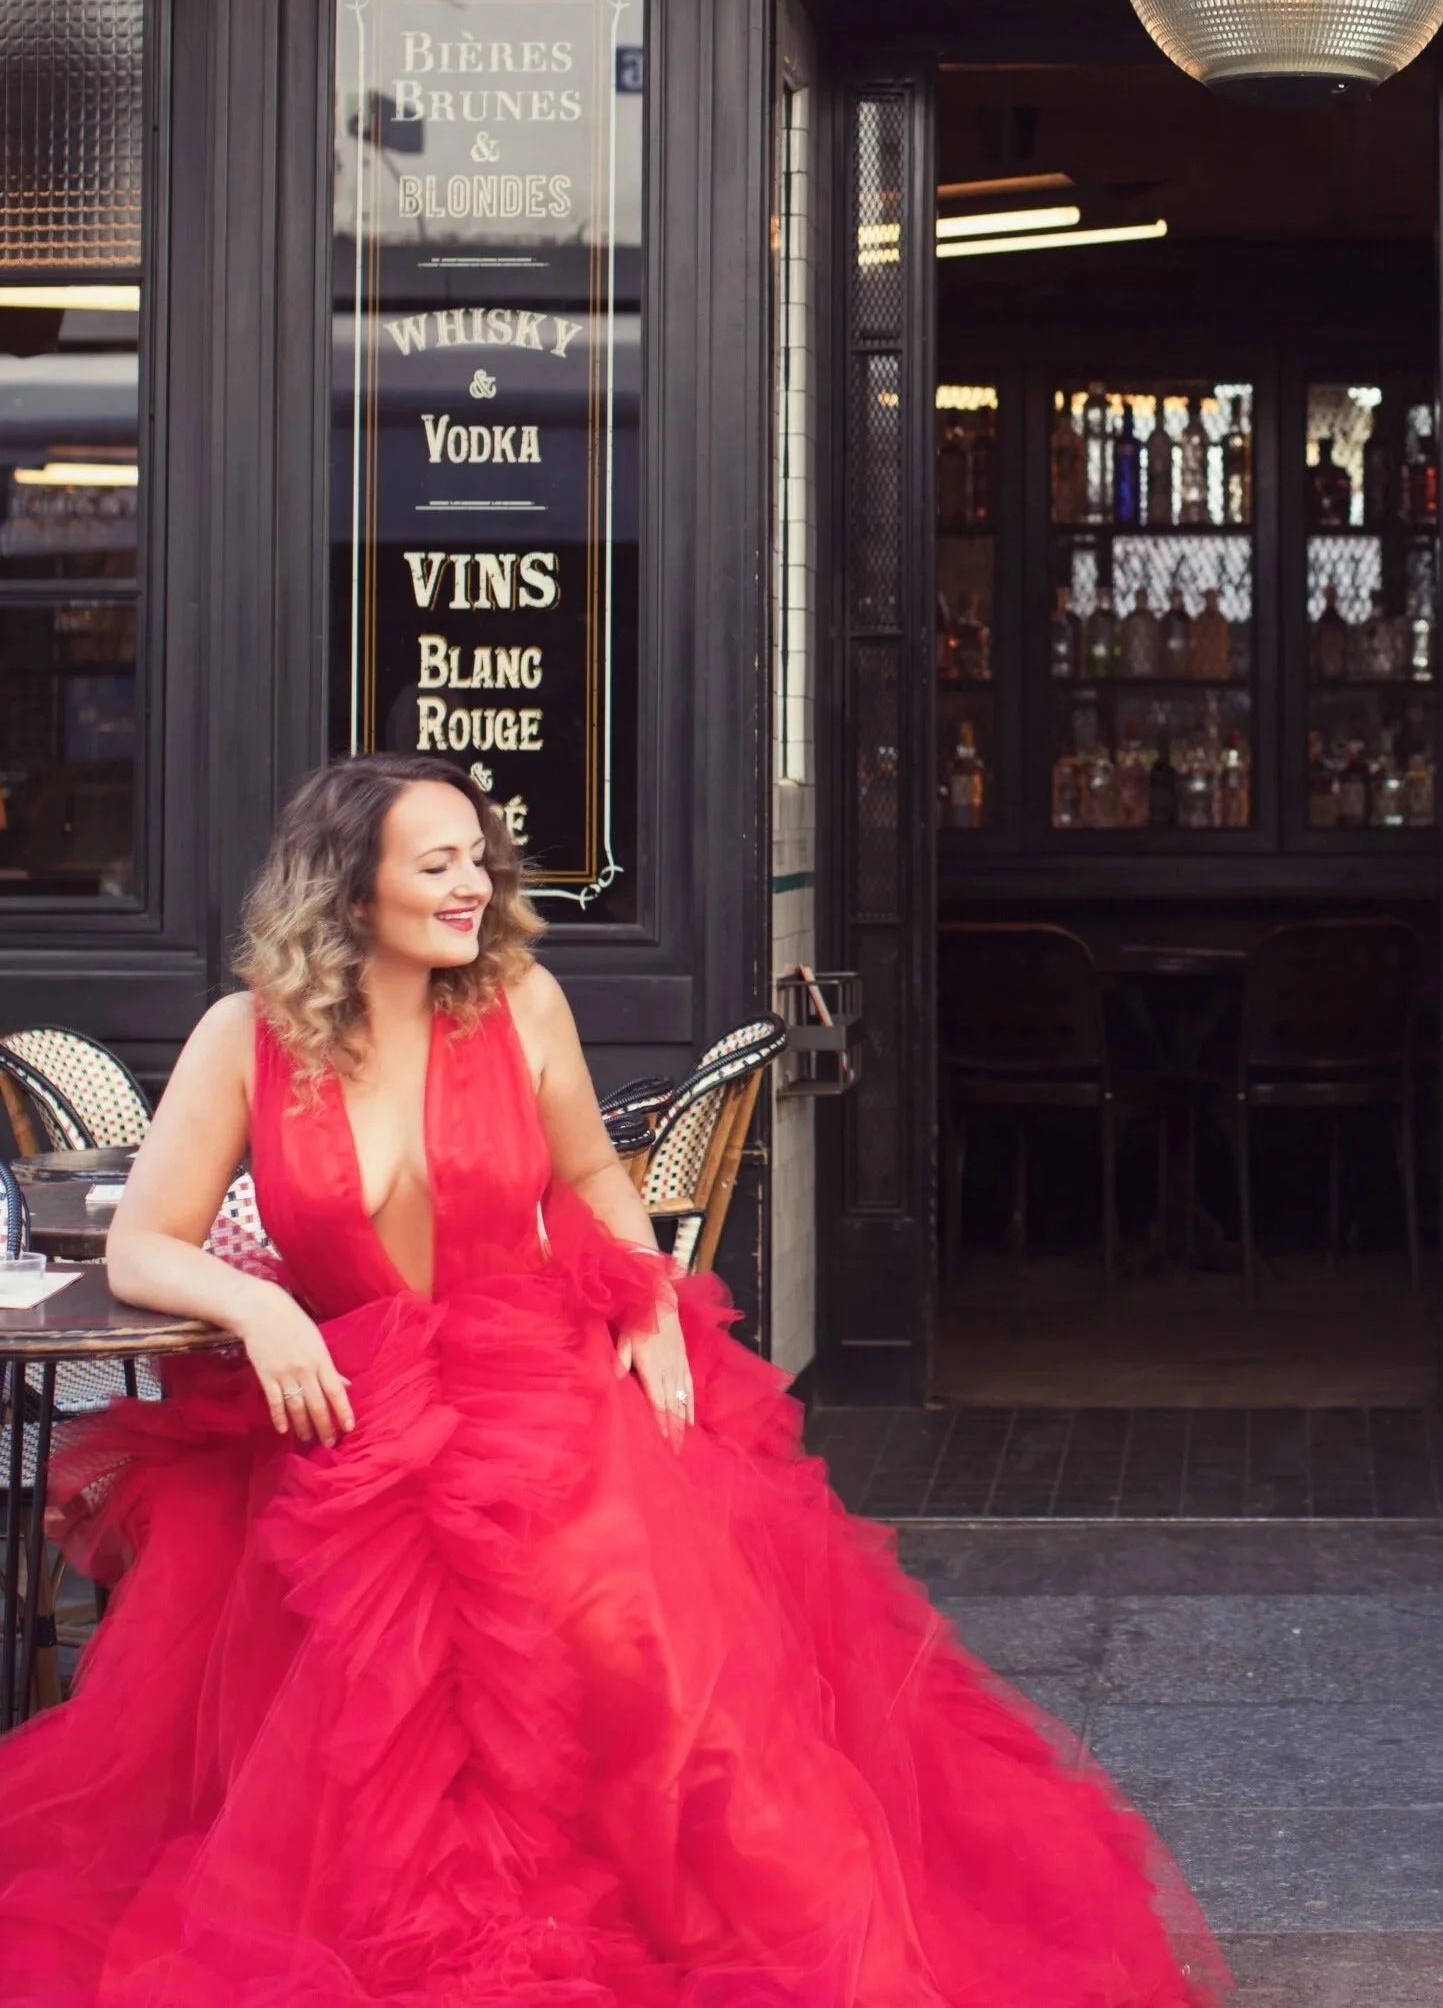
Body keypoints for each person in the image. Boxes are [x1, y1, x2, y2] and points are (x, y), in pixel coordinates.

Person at [0, 756, 1225, 2008]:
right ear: (347, 891)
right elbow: (148, 1239)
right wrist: (257, 1303)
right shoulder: (244, 1037)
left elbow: (593, 1180)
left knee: (625, 1621)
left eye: (479, 856)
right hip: (353, 1423)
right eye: (438, 865)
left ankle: (712, 1928)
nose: (475, 884)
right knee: (372, 1708)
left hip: (530, 1380)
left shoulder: (519, 1002)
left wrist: (645, 1300)